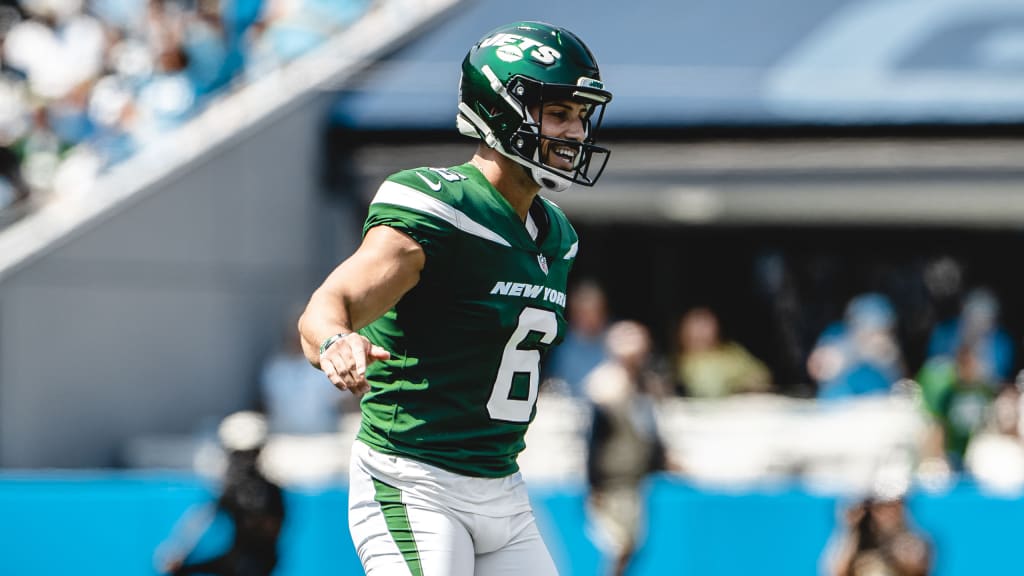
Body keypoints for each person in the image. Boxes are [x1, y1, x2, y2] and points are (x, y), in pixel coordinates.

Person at [297, 21, 613, 576]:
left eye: (582, 116)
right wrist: (336, 340)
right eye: (559, 113)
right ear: (501, 109)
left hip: (503, 488)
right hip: (414, 480)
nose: (576, 132)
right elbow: (330, 301)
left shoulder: (557, 233)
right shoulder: (436, 208)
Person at [585, 321, 673, 576]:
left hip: (636, 482)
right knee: (618, 545)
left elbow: (650, 431)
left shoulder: (645, 385)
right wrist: (593, 485)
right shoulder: (605, 386)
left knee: (632, 545)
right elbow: (594, 439)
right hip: (612, 483)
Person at [157, 411, 286, 576]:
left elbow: (268, 533)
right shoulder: (232, 489)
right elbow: (204, 522)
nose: (242, 462)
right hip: (239, 562)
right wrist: (179, 554)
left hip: (253, 564)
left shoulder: (267, 492)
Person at [672, 306, 772, 398]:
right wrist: (737, 386)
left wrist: (752, 383)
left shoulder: (732, 350)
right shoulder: (683, 363)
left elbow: (761, 373)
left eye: (706, 325)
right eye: (696, 326)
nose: (702, 332)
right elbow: (708, 389)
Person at [543, 279, 611, 397]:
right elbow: (553, 382)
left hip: (605, 408)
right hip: (571, 407)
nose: (586, 319)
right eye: (581, 312)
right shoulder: (561, 342)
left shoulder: (615, 339)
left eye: (591, 312)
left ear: (602, 311)